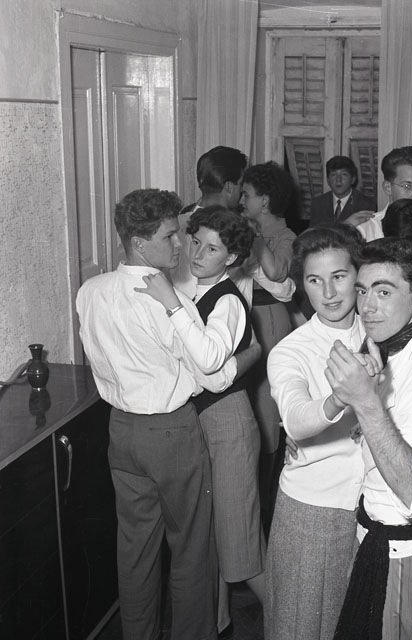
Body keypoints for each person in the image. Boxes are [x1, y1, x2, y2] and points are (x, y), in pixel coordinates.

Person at [76, 188, 238, 640]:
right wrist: (246, 358)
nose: (180, 244)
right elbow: (211, 377)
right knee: (192, 548)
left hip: (120, 430)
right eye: (169, 236)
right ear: (139, 243)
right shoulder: (172, 302)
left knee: (135, 549)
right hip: (171, 433)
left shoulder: (90, 292)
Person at [135, 206, 265, 639]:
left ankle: (295, 624)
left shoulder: (226, 299)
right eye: (195, 242)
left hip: (228, 423)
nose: (197, 254)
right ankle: (218, 626)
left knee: (239, 549)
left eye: (212, 249)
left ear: (232, 258)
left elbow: (209, 363)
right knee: (213, 539)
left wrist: (171, 304)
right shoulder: (195, 294)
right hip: (204, 421)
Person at [327, 238, 412, 640]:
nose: (366, 307)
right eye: (362, 291)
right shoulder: (395, 348)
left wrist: (366, 401)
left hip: (404, 553)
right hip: (382, 542)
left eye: (384, 292)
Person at [265, 224, 369, 640]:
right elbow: (295, 416)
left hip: (374, 512)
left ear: (358, 275)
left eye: (338, 276)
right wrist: (340, 398)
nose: (328, 292)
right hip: (314, 514)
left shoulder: (381, 333)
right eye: (314, 280)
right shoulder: (291, 350)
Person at [238, 161, 297, 523]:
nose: (241, 200)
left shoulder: (283, 235)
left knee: (266, 406)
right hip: (246, 318)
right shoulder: (247, 228)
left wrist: (255, 241)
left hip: (269, 321)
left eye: (247, 195)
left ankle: (267, 502)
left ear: (265, 200)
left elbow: (278, 273)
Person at [170, 145, 248, 298]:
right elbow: (282, 289)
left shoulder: (175, 225)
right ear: (229, 187)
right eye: (241, 184)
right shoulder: (236, 232)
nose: (242, 191)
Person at [308, 155, 377, 227]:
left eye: (344, 174)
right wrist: (346, 224)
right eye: (334, 174)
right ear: (328, 180)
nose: (338, 180)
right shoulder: (318, 204)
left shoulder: (366, 205)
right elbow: (312, 234)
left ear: (353, 179)